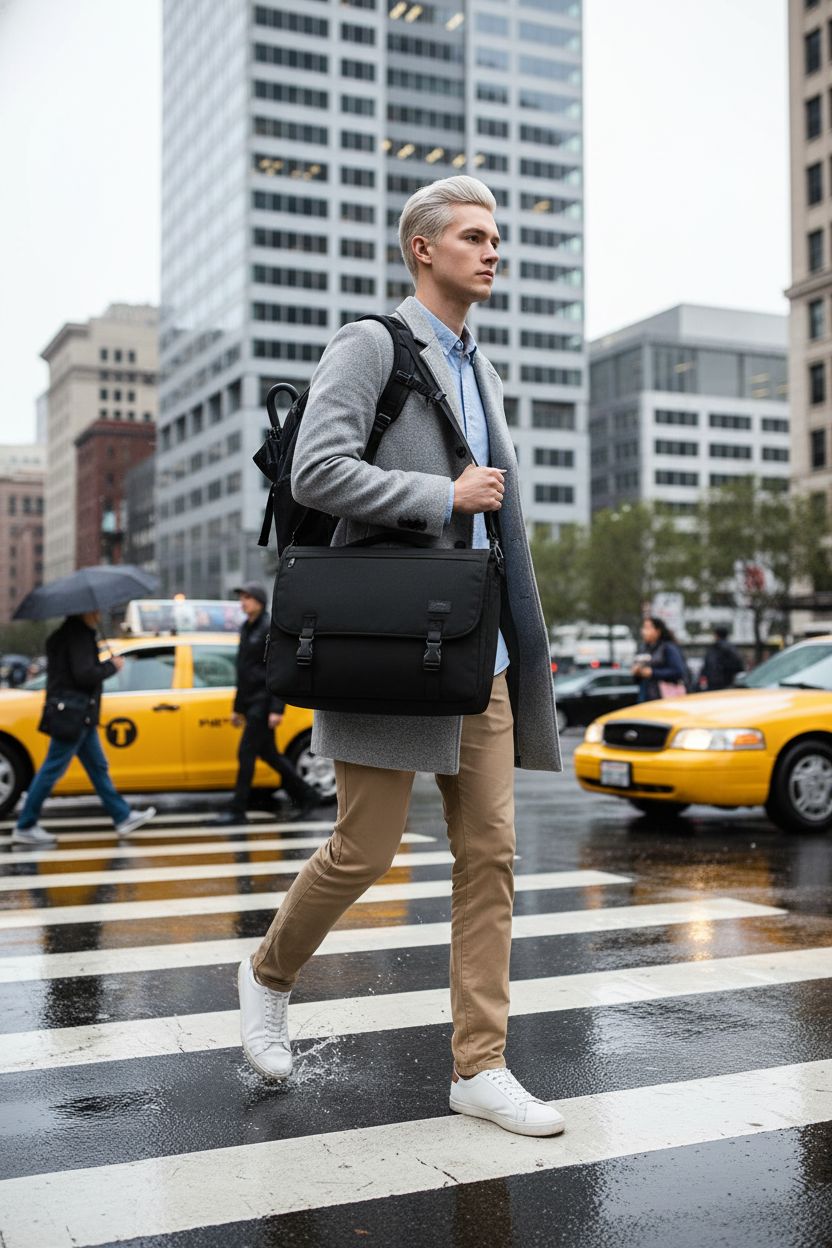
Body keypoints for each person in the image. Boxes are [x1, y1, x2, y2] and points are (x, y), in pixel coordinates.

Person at [237, 176, 565, 1138]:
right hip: (394, 646)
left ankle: (480, 1066)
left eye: (496, 237)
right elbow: (317, 470)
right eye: (474, 236)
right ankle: (265, 974)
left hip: (482, 651)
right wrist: (443, 496)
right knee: (365, 847)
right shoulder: (371, 343)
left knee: (491, 857)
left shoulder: (485, 368)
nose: (492, 251)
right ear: (424, 249)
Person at [12, 611, 156, 846]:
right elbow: (84, 674)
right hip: (74, 714)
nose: (100, 614)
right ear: (85, 612)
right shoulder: (77, 636)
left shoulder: (66, 634)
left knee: (97, 767)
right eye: (96, 610)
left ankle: (122, 816)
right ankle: (26, 824)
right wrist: (111, 666)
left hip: (77, 714)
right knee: (52, 769)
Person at [215, 582, 321, 826]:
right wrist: (237, 707)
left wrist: (276, 709)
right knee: (270, 755)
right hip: (250, 702)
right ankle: (308, 795)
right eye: (241, 598)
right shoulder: (246, 627)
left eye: (247, 598)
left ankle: (238, 809)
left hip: (263, 703)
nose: (243, 602)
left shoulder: (267, 628)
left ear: (259, 601)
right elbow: (242, 671)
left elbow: (277, 669)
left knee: (246, 754)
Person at [631, 617, 688, 702]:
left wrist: (652, 672)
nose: (643, 631)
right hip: (645, 695)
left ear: (658, 631)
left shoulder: (668, 647)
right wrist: (637, 672)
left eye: (647, 628)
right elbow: (637, 679)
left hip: (664, 697)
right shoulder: (643, 648)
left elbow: (678, 671)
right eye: (643, 628)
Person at [701, 625, 745, 691]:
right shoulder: (732, 648)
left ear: (716, 635)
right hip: (729, 683)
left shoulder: (714, 648)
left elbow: (707, 667)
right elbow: (740, 666)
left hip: (714, 684)